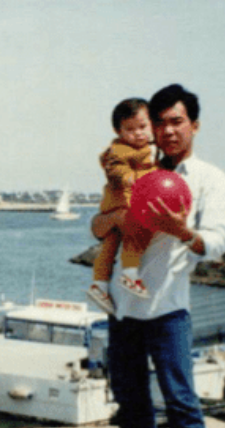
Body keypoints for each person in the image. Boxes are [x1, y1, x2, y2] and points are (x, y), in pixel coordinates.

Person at [92, 83, 225, 428]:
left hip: (169, 307)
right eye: (160, 123)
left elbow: (217, 243)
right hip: (123, 306)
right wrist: (122, 216)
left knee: (181, 401)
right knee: (130, 399)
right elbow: (98, 229)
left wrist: (182, 231)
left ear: (194, 125)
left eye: (177, 122)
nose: (168, 131)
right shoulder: (135, 168)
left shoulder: (210, 179)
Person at [87, 98, 158, 315]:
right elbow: (116, 169)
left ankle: (99, 284)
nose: (138, 133)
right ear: (118, 131)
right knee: (133, 235)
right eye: (130, 129)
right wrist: (128, 177)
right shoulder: (120, 150)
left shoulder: (152, 148)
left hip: (118, 204)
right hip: (121, 202)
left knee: (110, 244)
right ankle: (130, 272)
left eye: (143, 127)